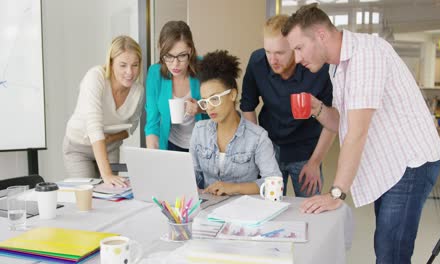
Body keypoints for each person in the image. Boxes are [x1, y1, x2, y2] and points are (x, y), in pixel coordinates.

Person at [282, 4, 440, 263]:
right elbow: (342, 122)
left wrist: (336, 193)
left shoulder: (365, 55)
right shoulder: (338, 66)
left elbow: (356, 133)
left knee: (390, 252)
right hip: (392, 162)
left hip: (410, 162)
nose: (297, 58)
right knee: (387, 245)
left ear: (321, 34)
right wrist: (318, 109)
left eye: (299, 48)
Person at [241, 15, 335, 197]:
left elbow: (332, 121)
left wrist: (315, 162)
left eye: (280, 53)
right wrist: (259, 149)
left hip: (307, 150)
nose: (272, 59)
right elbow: (247, 106)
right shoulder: (257, 61)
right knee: (268, 207)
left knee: (310, 210)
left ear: (294, 48)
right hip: (270, 146)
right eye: (268, 51)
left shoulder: (318, 69)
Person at [190, 50, 281, 196]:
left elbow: (275, 183)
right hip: (207, 211)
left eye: (214, 99)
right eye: (205, 101)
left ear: (232, 94)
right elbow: (191, 176)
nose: (209, 107)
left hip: (243, 211)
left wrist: (234, 188)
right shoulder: (199, 131)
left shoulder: (258, 138)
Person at [63, 35, 144, 187]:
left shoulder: (138, 91)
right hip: (79, 147)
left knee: (112, 194)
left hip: (110, 147)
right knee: (88, 194)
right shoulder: (95, 77)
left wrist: (111, 139)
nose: (130, 72)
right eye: (123, 65)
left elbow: (132, 126)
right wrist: (106, 174)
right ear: (111, 63)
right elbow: (94, 127)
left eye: (135, 65)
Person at [145, 21, 206, 152]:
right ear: (161, 50)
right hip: (171, 144)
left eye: (182, 55)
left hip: (204, 145)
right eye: (169, 56)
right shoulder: (155, 73)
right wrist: (152, 155)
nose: (175, 64)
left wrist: (200, 108)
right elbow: (152, 122)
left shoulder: (204, 67)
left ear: (191, 50)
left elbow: (222, 105)